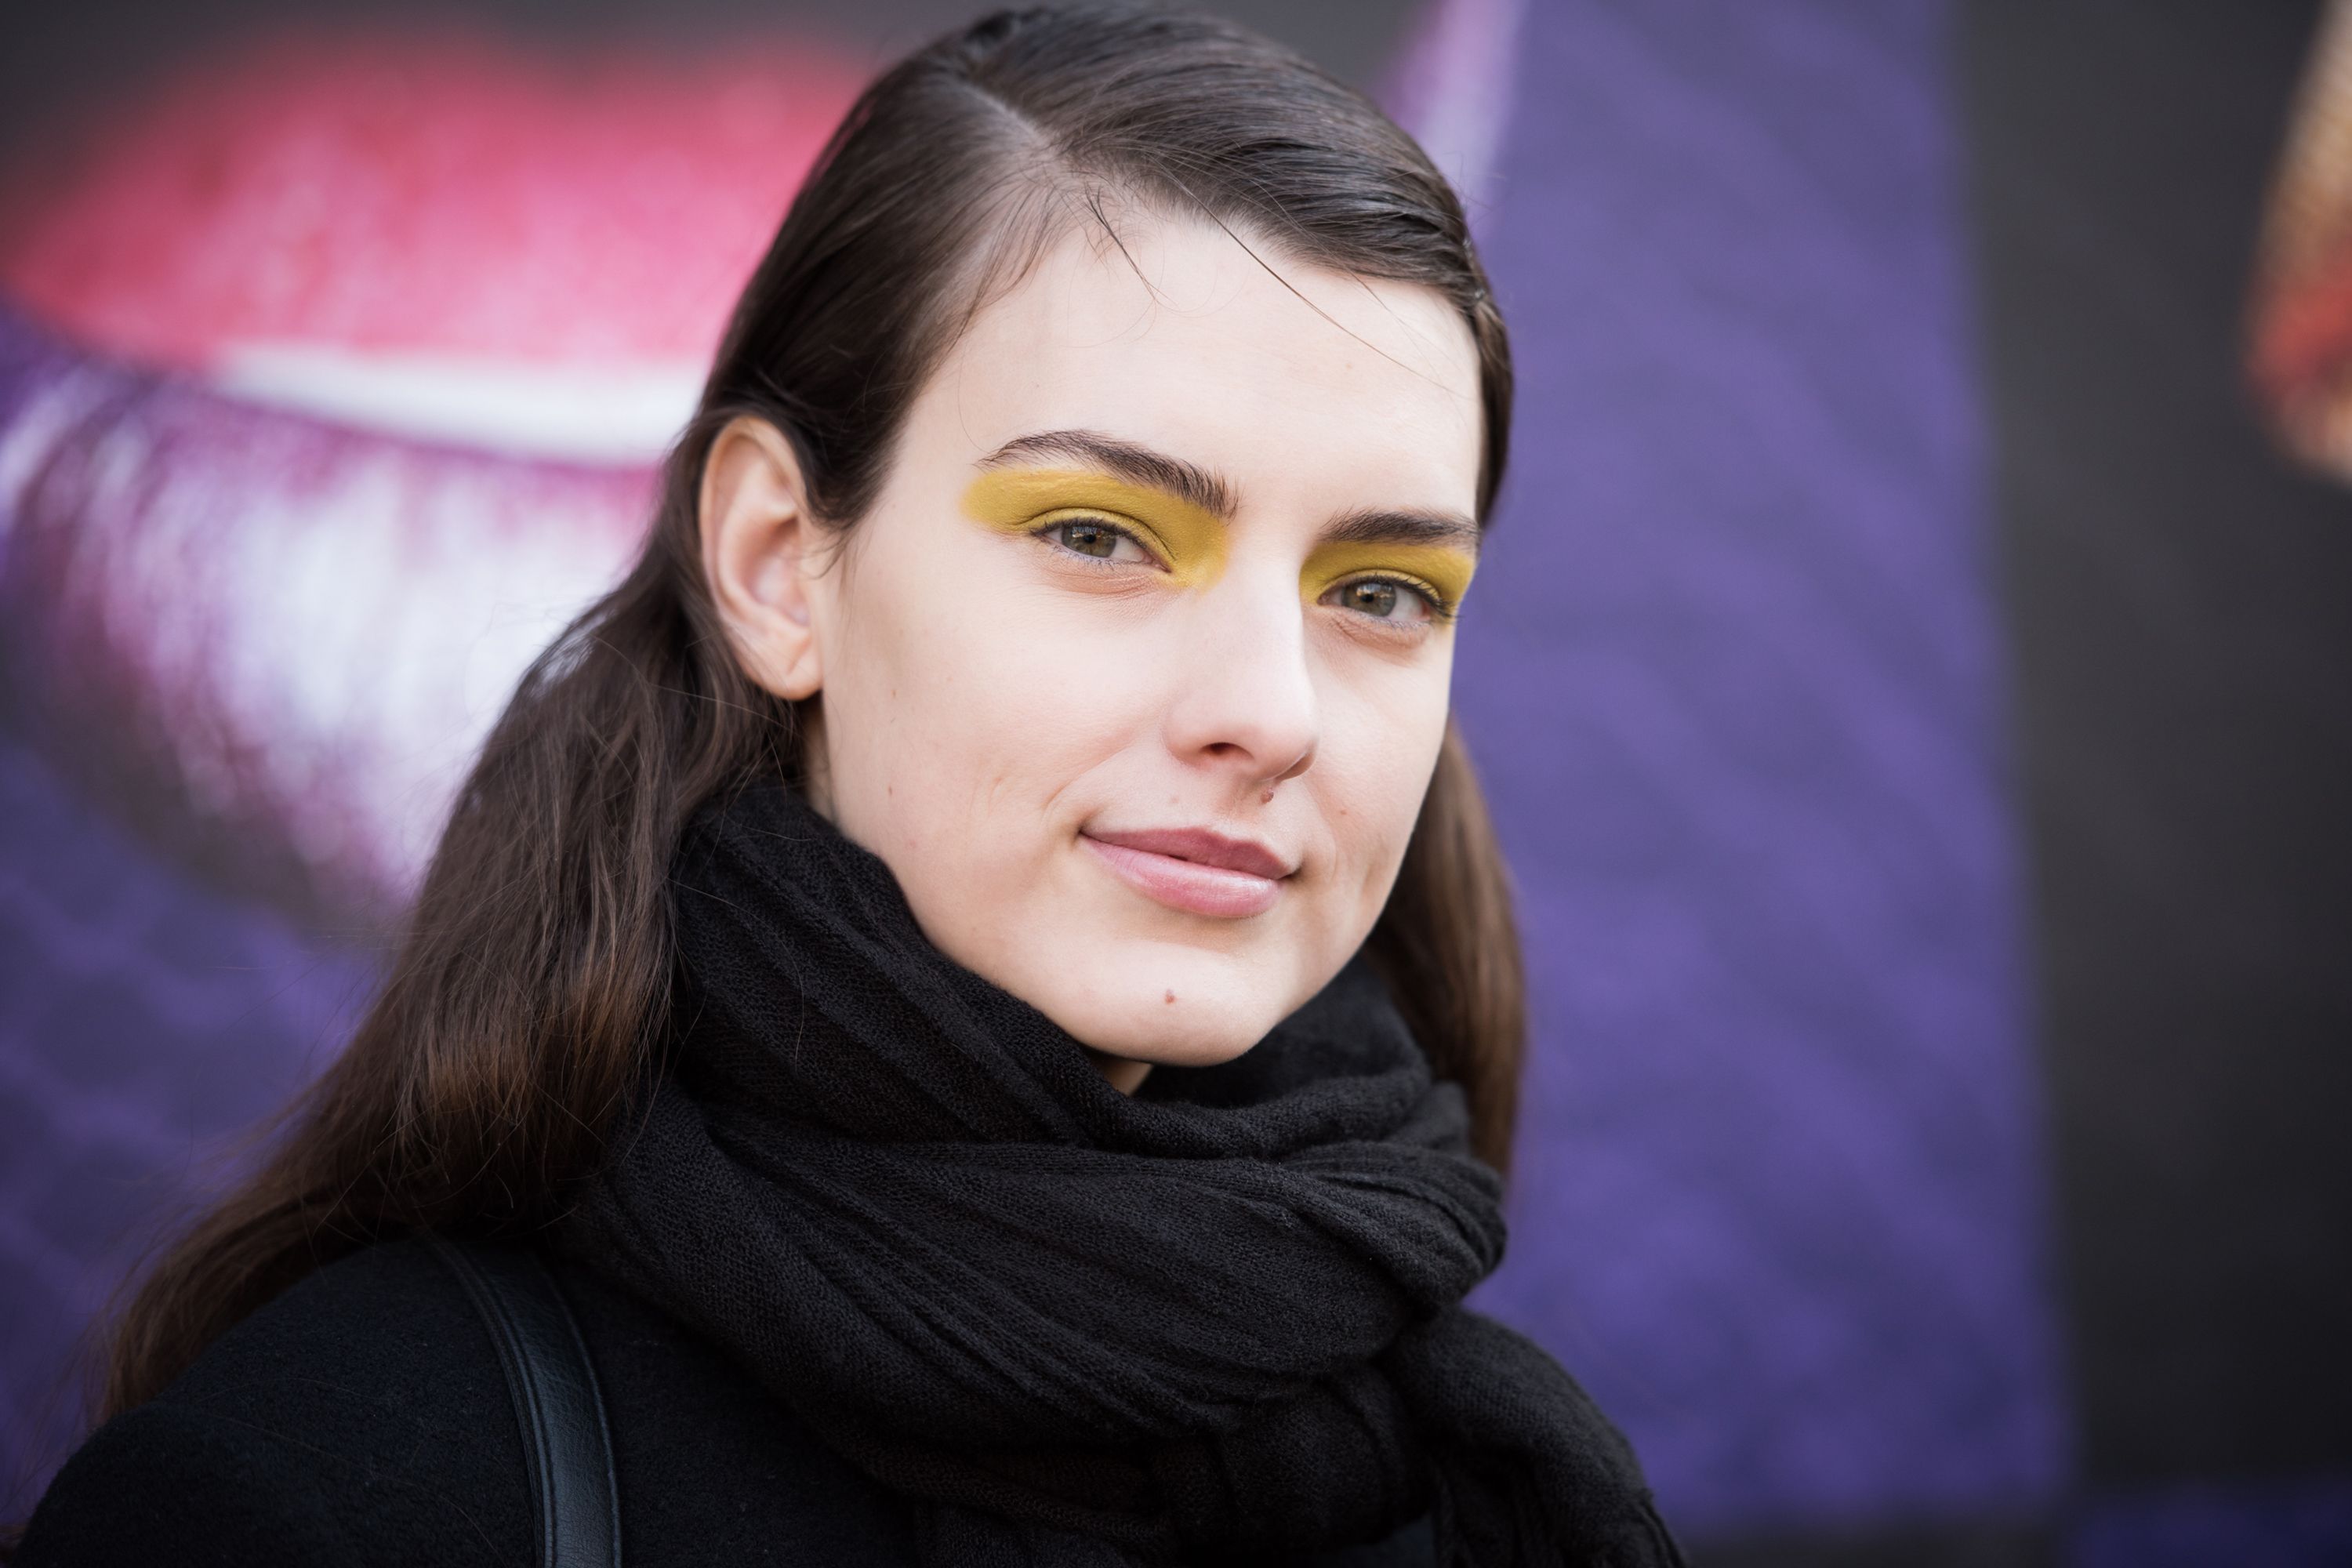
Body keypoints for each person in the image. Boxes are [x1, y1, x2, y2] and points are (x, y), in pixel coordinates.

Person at [13, 5, 1682, 1563]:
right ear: (776, 564)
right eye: (1101, 535)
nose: (1276, 707)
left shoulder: (1500, 1482)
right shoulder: (315, 1495)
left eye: (1382, 589)